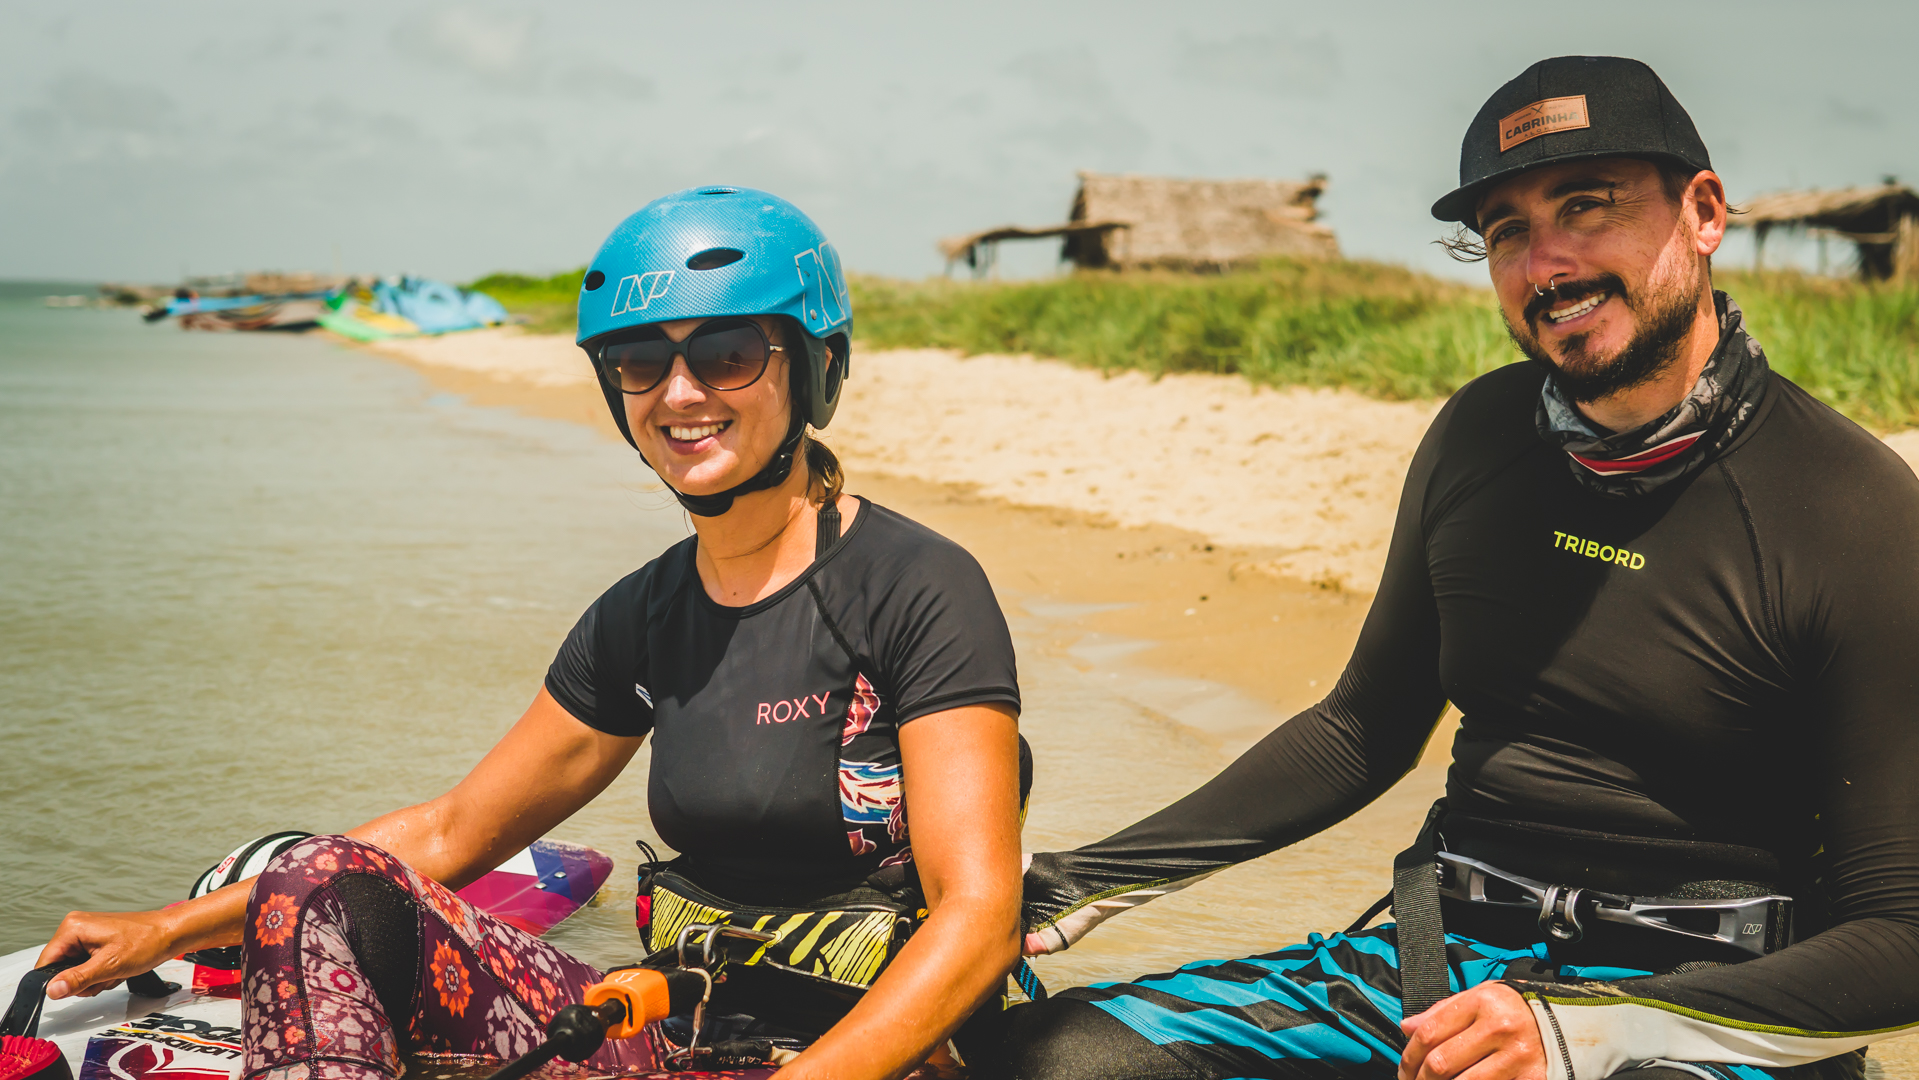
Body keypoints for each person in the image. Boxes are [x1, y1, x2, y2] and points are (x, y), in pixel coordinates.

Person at [985, 56, 1919, 1080]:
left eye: (1585, 206)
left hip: (1699, 1009)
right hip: (1442, 965)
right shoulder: (1480, 436)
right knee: (1060, 1058)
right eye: (1506, 231)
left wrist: (1578, 1032)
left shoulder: (1848, 508)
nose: (1545, 262)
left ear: (1701, 212)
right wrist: (1073, 883)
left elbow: (1900, 939)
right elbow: (1358, 730)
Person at [36, 188, 1026, 1080]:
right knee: (320, 876)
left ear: (813, 369)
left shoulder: (915, 588)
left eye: (726, 354)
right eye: (642, 361)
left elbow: (976, 919)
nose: (679, 394)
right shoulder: (641, 616)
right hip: (664, 1031)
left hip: (861, 1051)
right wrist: (163, 931)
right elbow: (455, 832)